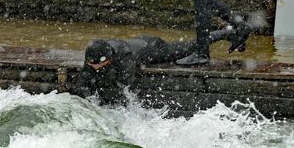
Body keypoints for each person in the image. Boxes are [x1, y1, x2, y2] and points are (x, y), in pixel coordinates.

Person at [71, 30, 245, 105]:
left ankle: (228, 33)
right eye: (90, 64)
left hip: (153, 48)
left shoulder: (125, 58)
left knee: (187, 47)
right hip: (137, 41)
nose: (91, 67)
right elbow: (83, 81)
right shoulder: (93, 55)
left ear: (107, 59)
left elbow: (127, 87)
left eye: (95, 65)